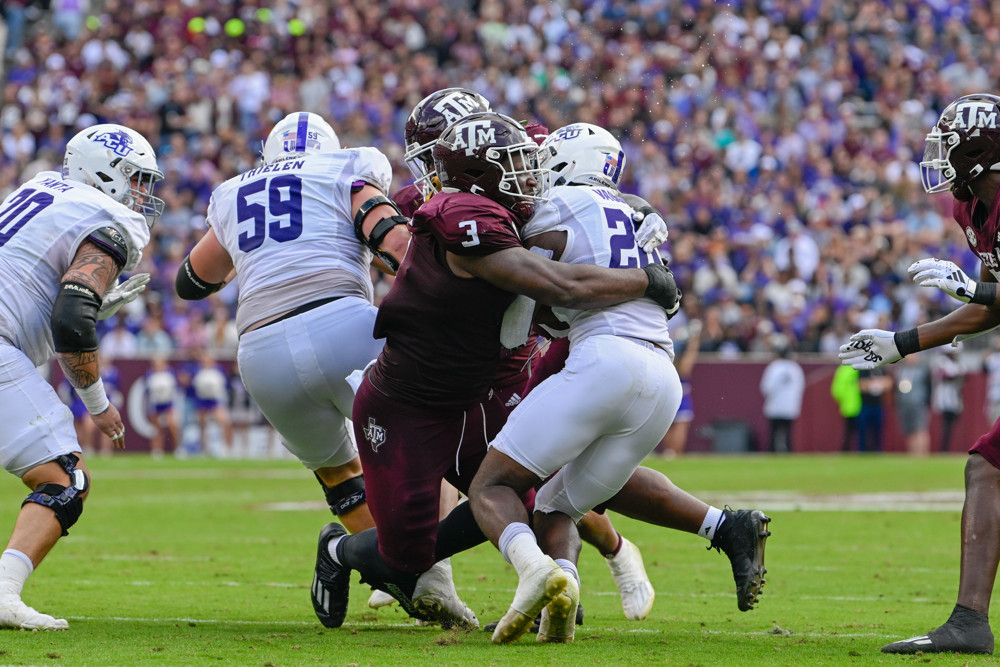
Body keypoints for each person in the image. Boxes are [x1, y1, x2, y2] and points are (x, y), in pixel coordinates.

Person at [314, 112, 684, 631]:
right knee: (407, 557)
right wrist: (645, 279)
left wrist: (626, 216)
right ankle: (341, 549)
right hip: (411, 399)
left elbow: (570, 203)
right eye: (513, 167)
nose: (527, 177)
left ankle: (555, 590)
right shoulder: (461, 213)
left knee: (520, 495)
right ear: (478, 174)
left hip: (482, 386)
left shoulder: (508, 191)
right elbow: (559, 286)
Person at [469, 122, 770, 643]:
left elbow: (513, 276)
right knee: (557, 505)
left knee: (492, 485)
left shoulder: (559, 203)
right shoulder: (635, 215)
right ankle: (557, 605)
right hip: (661, 376)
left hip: (604, 360)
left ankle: (538, 574)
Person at [176, 111, 413, 622]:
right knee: (426, 441)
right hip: (344, 323)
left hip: (261, 348)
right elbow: (396, 247)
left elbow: (193, 279)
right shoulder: (346, 168)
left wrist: (254, 252)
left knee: (338, 472)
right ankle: (422, 574)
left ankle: (401, 577)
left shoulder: (233, 192)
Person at [839, 93, 1000, 654]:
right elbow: (992, 305)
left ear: (982, 150)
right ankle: (969, 623)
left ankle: (969, 623)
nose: (941, 159)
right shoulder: (974, 207)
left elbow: (987, 295)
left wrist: (974, 287)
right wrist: (902, 343)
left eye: (951, 148)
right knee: (988, 466)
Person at [0, 123, 163, 629]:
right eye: (135, 179)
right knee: (64, 477)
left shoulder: (33, 188)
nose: (142, 194)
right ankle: (4, 593)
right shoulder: (110, 216)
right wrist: (97, 403)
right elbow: (71, 317)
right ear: (105, 172)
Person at [656, 319, 702, 457]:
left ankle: (669, 453)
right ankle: (673, 453)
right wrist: (695, 340)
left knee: (669, 424)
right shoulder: (681, 363)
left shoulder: (666, 357)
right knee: (680, 424)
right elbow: (689, 361)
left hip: (668, 390)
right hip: (681, 392)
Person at [758, 335, 805, 453]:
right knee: (788, 432)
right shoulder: (795, 368)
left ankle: (772, 451)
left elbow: (766, 387)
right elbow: (801, 387)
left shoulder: (774, 367)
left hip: (775, 405)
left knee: (774, 432)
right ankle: (789, 451)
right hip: (790, 406)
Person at [893, 354, 932, 456]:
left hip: (919, 402)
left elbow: (929, 387)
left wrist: (927, 402)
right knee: (909, 430)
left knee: (920, 428)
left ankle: (922, 453)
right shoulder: (901, 370)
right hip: (904, 403)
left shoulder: (923, 370)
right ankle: (912, 453)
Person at [931, 345, 967, 453]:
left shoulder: (957, 363)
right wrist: (957, 374)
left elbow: (962, 376)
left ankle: (948, 449)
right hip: (944, 399)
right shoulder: (941, 361)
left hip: (955, 398)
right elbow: (946, 376)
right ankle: (944, 450)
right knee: (945, 425)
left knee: (951, 426)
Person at [145, 356, 181, 457]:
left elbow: (175, 389)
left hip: (169, 403)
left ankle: (177, 449)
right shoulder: (150, 375)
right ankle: (157, 450)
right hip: (156, 404)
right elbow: (148, 391)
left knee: (173, 426)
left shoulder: (170, 373)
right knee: (157, 429)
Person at [830, 364, 862, 452]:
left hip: (849, 405)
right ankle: (850, 449)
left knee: (849, 430)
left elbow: (836, 391)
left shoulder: (842, 370)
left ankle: (847, 449)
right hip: (855, 404)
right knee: (853, 430)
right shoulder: (854, 369)